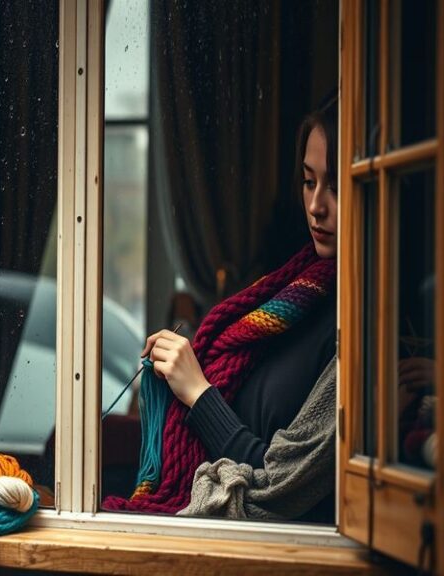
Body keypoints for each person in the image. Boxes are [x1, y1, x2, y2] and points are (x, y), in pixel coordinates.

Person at [138, 96, 339, 523]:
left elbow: (276, 482)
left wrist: (197, 391)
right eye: (309, 182)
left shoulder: (355, 326)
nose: (317, 205)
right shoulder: (297, 292)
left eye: (336, 186)